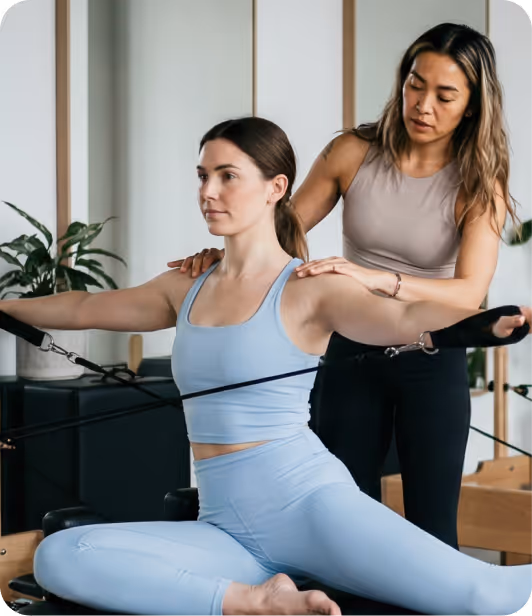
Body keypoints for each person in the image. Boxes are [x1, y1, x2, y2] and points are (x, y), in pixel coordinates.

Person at [1, 117, 530, 616]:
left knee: (487, 594)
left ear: (276, 188)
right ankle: (258, 601)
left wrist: (486, 323)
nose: (209, 191)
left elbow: (406, 317)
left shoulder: (310, 288)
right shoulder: (186, 286)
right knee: (64, 554)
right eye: (203, 176)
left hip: (311, 509)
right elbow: (83, 308)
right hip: (225, 526)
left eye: (228, 177)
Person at [168, 23, 519, 549]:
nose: (423, 104)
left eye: (445, 95)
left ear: (471, 105)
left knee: (433, 528)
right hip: (352, 351)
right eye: (415, 85)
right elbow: (284, 229)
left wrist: (376, 278)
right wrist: (228, 253)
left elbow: (469, 293)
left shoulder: (478, 183)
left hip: (432, 354)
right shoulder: (353, 152)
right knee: (343, 515)